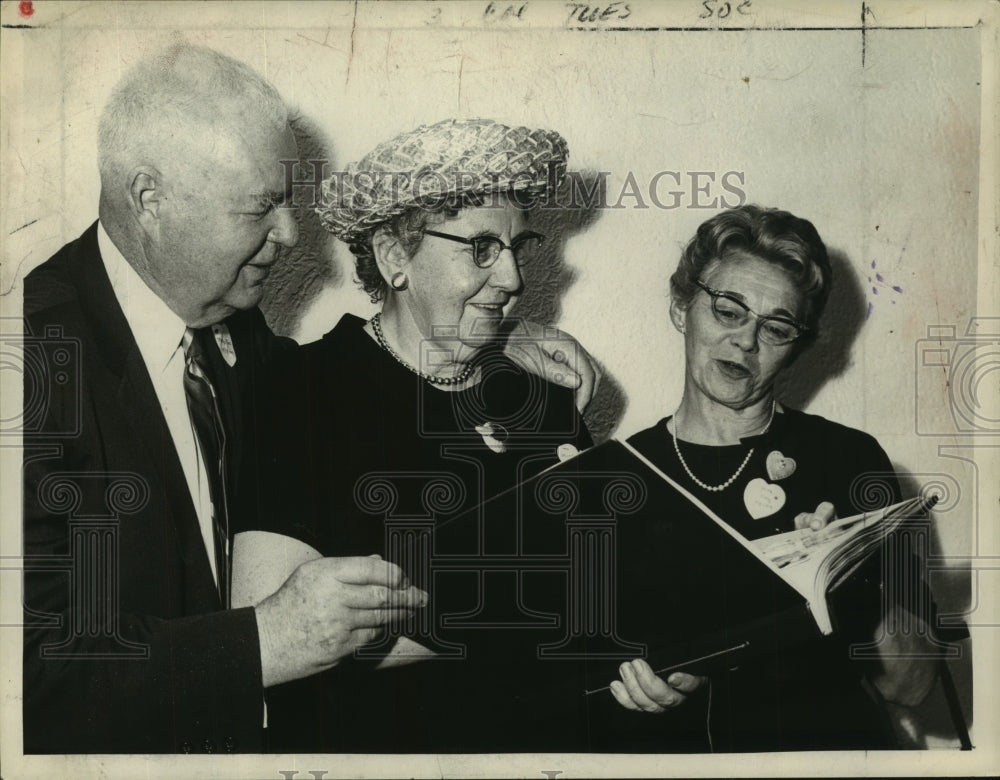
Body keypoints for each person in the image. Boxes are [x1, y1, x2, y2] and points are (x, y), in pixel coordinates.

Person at [20, 43, 433, 754]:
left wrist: (481, 348)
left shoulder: (233, 322)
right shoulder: (27, 359)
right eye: (260, 208)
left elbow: (332, 393)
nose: (291, 234)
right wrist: (266, 641)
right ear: (150, 199)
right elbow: (29, 677)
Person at [232, 118, 595, 752]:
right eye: (480, 248)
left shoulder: (537, 391)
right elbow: (272, 636)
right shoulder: (302, 391)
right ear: (395, 257)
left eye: (517, 246)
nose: (512, 279)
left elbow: (610, 587)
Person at [610, 204, 963, 750]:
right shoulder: (623, 474)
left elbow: (911, 686)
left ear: (796, 346)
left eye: (775, 327)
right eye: (728, 310)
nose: (746, 342)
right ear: (683, 307)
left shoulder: (845, 457)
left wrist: (850, 570)